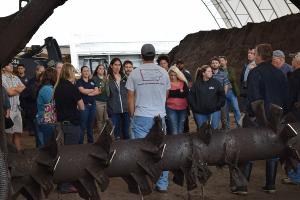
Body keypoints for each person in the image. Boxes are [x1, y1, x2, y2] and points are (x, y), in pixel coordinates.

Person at [234, 44, 288, 195]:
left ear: (259, 56)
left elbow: (254, 97)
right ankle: (271, 185)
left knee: (248, 150)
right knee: (273, 150)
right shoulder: (279, 74)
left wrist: (251, 115)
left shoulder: (255, 72)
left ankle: (243, 187)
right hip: (276, 118)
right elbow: (286, 98)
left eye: (255, 53)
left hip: (257, 119)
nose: (254, 55)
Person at [126, 43, 170, 192]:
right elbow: (166, 94)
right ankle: (162, 183)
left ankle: (142, 184)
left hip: (141, 117)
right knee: (159, 150)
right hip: (159, 116)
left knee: (140, 151)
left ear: (141, 56)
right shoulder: (164, 72)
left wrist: (132, 115)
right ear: (155, 55)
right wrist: (158, 107)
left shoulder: (134, 73)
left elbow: (130, 98)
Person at [54, 63, 84, 194]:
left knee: (62, 154)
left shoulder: (58, 87)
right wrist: (75, 107)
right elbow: (82, 107)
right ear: (70, 73)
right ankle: (65, 185)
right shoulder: (72, 88)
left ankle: (61, 182)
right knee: (70, 156)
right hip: (72, 125)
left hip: (61, 125)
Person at [282, 52, 300, 185]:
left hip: (296, 114)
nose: (292, 60)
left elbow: (290, 97)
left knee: (292, 144)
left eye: (293, 58)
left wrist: (285, 112)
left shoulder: (295, 75)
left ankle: (296, 175)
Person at [189, 65, 225, 129]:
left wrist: (218, 105)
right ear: (203, 73)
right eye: (208, 71)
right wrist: (195, 108)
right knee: (202, 131)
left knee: (214, 130)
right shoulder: (196, 84)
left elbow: (222, 95)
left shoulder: (216, 83)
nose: (211, 72)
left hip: (214, 111)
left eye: (211, 71)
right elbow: (191, 97)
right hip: (200, 113)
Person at [2, 63, 26, 151]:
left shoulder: (15, 77)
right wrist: (17, 89)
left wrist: (13, 89)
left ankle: (18, 151)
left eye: (12, 65)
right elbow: (9, 93)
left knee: (18, 132)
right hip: (8, 110)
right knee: (7, 134)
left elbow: (24, 87)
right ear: (4, 68)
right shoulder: (2, 78)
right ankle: (7, 153)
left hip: (17, 109)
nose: (11, 66)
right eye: (8, 65)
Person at [107, 58, 130, 140]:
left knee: (126, 132)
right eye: (115, 65)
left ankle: (128, 150)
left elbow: (129, 92)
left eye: (119, 65)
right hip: (114, 110)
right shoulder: (107, 78)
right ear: (111, 66)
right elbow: (105, 94)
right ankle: (118, 149)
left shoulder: (124, 77)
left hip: (126, 109)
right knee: (116, 133)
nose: (117, 67)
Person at [76, 66, 99, 144]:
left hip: (93, 105)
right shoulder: (79, 81)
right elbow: (82, 91)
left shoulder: (92, 80)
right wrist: (92, 90)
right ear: (81, 72)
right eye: (84, 71)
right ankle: (80, 144)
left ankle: (91, 143)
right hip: (84, 106)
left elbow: (97, 91)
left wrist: (89, 93)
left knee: (90, 126)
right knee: (82, 126)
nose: (86, 72)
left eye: (87, 71)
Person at [36, 67, 57, 147]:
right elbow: (52, 104)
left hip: (46, 120)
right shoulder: (47, 89)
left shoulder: (48, 88)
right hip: (46, 121)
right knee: (47, 146)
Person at [219, 56, 242, 128]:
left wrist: (222, 77)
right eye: (220, 61)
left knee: (236, 108)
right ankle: (227, 127)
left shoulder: (231, 69)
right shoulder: (218, 71)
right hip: (223, 93)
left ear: (226, 61)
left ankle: (239, 125)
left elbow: (233, 78)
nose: (221, 62)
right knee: (225, 111)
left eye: (222, 60)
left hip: (231, 92)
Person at [166, 66, 188, 134]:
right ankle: (175, 143)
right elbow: (167, 95)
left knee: (181, 127)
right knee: (174, 128)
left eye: (175, 75)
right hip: (170, 108)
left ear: (178, 75)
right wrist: (179, 91)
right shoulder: (167, 83)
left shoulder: (183, 83)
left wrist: (172, 92)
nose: (172, 77)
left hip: (183, 108)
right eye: (171, 75)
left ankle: (179, 143)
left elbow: (185, 94)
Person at [210, 57, 231, 129]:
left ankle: (226, 133)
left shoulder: (223, 74)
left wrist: (223, 95)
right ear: (211, 64)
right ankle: (217, 134)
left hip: (221, 98)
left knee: (224, 118)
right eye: (213, 63)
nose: (214, 64)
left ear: (219, 64)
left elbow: (226, 84)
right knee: (215, 118)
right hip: (212, 99)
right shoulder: (209, 74)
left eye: (216, 63)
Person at [92, 64, 109, 133]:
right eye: (99, 68)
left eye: (103, 68)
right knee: (100, 120)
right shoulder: (94, 78)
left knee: (107, 119)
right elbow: (99, 90)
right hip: (98, 101)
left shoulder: (107, 78)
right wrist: (104, 81)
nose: (101, 70)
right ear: (97, 70)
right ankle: (101, 136)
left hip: (107, 101)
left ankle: (107, 135)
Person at [240, 48, 256, 112]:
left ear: (256, 55)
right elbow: (242, 78)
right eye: (248, 53)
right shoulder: (246, 65)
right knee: (245, 110)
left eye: (252, 53)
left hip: (252, 92)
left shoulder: (257, 66)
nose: (249, 55)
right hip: (245, 90)